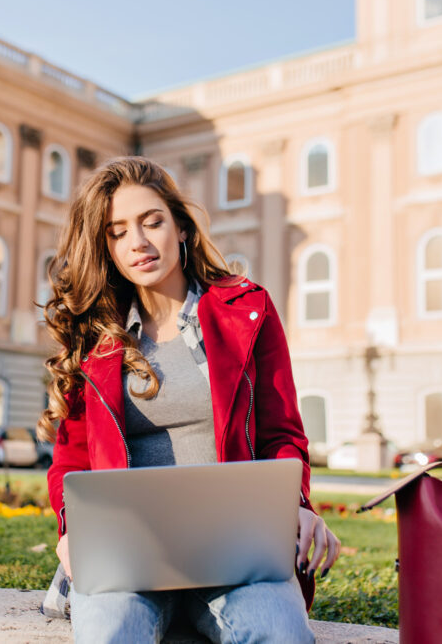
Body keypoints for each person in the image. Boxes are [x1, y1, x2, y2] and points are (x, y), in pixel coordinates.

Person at [37, 156, 340, 643]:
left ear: (180, 227)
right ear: (106, 247)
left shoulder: (249, 310)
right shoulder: (94, 338)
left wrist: (298, 505)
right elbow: (71, 462)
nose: (137, 241)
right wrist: (74, 533)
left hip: (236, 557)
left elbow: (282, 431)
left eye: (151, 221)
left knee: (279, 633)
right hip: (125, 557)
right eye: (117, 232)